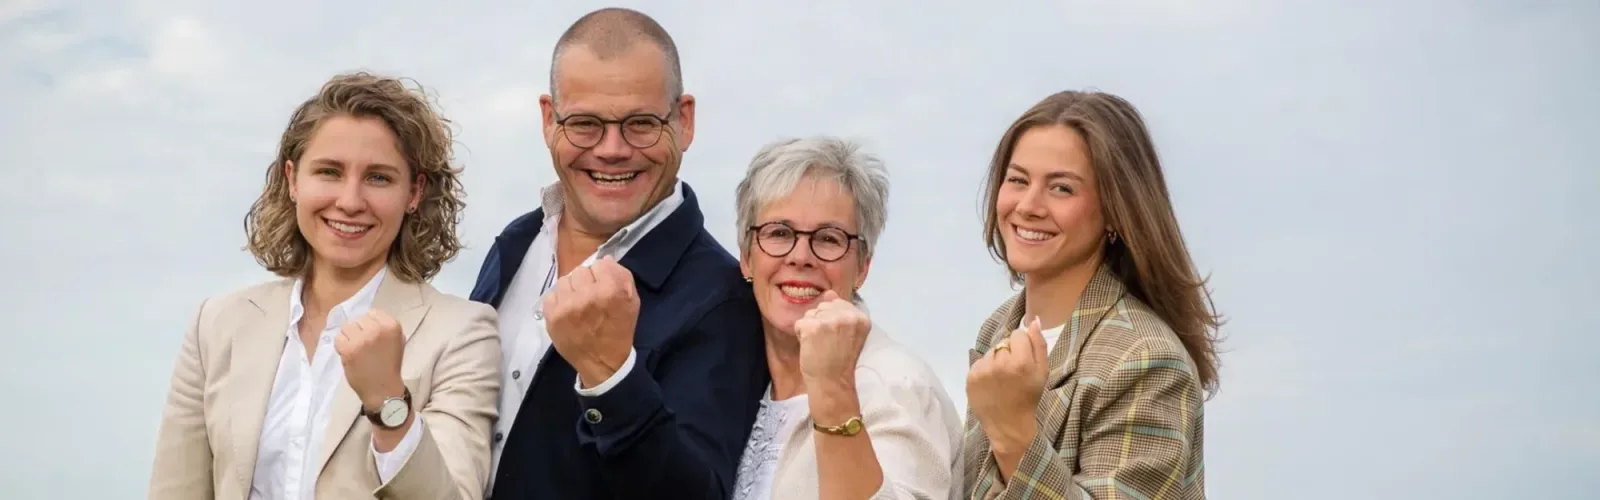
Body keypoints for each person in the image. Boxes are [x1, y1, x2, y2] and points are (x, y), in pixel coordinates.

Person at [147, 72, 502, 500]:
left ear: (414, 192)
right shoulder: (217, 324)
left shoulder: (463, 332)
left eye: (378, 178)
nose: (350, 201)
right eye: (329, 172)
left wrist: (389, 404)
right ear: (293, 179)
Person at [466, 8, 768, 500]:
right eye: (585, 124)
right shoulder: (516, 243)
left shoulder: (722, 298)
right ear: (548, 120)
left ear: (684, 121)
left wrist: (611, 377)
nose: (611, 149)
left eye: (641, 123)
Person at [961, 91, 1221, 500]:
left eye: (1061, 188)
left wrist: (1014, 433)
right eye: (1017, 180)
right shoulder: (997, 330)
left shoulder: (1146, 359)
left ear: (1116, 211)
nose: (1028, 205)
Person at [727, 137, 964, 500]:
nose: (801, 256)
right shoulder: (736, 380)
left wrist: (834, 392)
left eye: (828, 238)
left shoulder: (896, 386)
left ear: (863, 267)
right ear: (746, 257)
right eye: (779, 233)